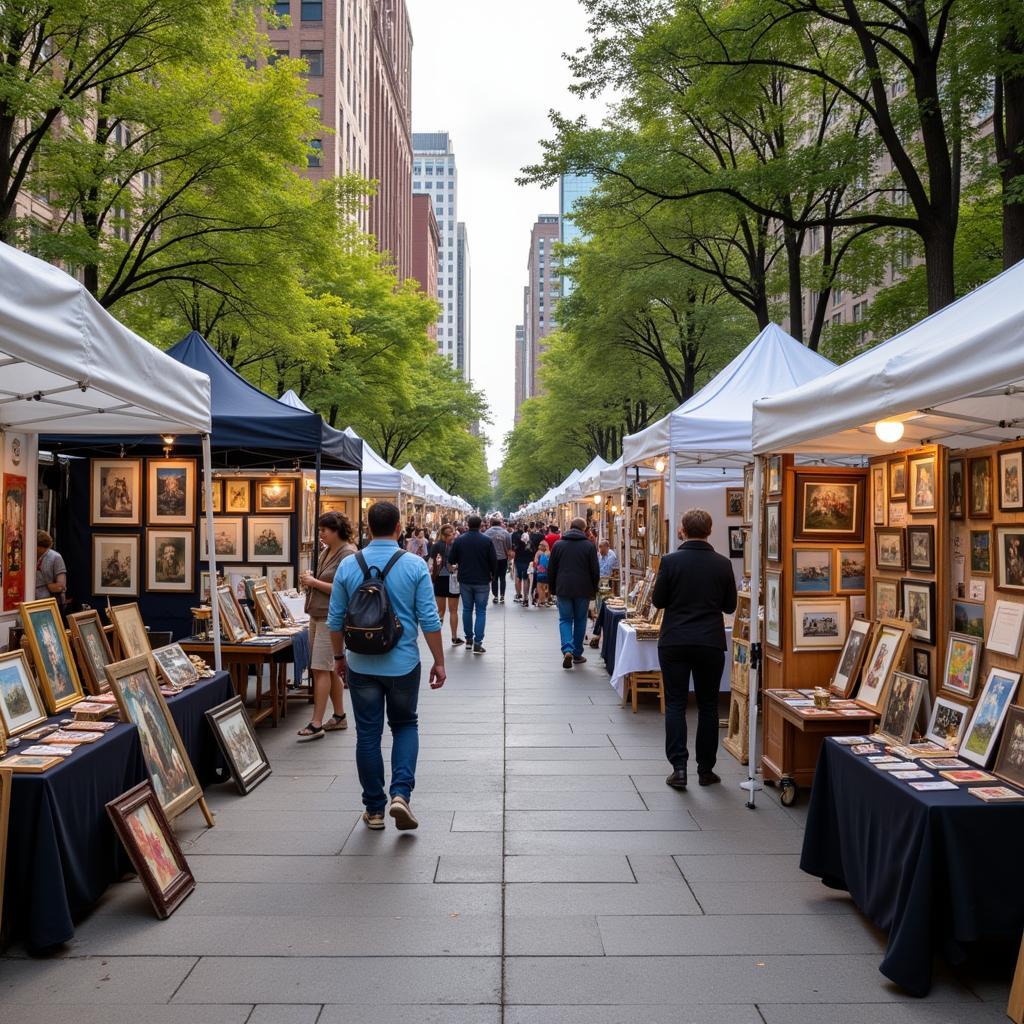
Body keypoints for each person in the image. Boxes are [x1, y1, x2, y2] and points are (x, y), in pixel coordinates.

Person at [328, 501, 446, 830]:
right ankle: (400, 795)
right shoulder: (414, 565)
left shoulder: (350, 565)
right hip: (403, 663)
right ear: (399, 529)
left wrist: (339, 658)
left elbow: (335, 620)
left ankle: (374, 809)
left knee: (367, 735)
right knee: (405, 725)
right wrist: (439, 661)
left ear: (367, 529)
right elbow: (430, 619)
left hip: (361, 664)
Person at [652, 508, 737, 791]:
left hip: (675, 639)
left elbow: (659, 600)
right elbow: (729, 607)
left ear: (683, 530)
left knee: (676, 703)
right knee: (709, 705)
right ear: (709, 530)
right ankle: (705, 769)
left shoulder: (670, 561)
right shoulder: (723, 564)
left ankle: (678, 768)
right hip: (710, 641)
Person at [297, 512, 358, 741]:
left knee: (320, 668)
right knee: (329, 667)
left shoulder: (348, 554)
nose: (321, 533)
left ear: (337, 530)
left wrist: (314, 582)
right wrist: (312, 581)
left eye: (324, 529)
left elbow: (347, 590)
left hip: (330, 617)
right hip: (317, 614)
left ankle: (316, 722)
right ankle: (339, 716)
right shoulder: (326, 551)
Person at [548, 517, 600, 669]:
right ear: (584, 530)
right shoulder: (588, 546)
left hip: (563, 587)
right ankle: (577, 652)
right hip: (583, 589)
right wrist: (594, 589)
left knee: (565, 619)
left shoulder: (558, 545)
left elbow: (552, 569)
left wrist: (553, 588)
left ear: (570, 527)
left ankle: (567, 649)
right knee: (580, 620)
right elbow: (595, 571)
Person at [448, 514, 496, 654]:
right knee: (481, 611)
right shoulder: (487, 540)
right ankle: (477, 642)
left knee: (467, 610)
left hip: (465, 579)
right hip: (482, 579)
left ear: (467, 524)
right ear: (481, 525)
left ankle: (468, 639)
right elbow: (493, 561)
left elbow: (452, 559)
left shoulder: (459, 540)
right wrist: (492, 574)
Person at [429, 524, 463, 646]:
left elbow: (431, 563)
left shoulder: (435, 546)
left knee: (442, 610)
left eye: (453, 534)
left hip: (440, 579)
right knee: (451, 610)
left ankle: (438, 637)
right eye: (451, 534)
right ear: (444, 534)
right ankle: (453, 637)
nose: (453, 536)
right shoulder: (456, 545)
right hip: (452, 578)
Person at [483, 516, 513, 604]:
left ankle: (495, 596)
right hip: (503, 558)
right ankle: (502, 596)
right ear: (500, 524)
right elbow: (509, 547)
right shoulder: (505, 533)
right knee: (502, 578)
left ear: (491, 524)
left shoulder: (487, 533)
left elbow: (485, 546)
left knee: (494, 578)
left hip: (491, 560)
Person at [35, 531, 67, 604]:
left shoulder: (56, 557)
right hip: (31, 601)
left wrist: (49, 586)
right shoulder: (31, 556)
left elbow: (61, 585)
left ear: (39, 547)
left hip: (48, 602)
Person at [512, 524, 534, 606]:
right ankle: (526, 598)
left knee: (518, 578)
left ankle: (518, 595)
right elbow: (533, 552)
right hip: (527, 562)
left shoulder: (518, 544)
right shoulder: (530, 544)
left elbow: (514, 551)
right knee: (526, 579)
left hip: (518, 562)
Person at [533, 541, 551, 607]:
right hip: (547, 573)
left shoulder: (538, 553)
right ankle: (544, 600)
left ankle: (541, 601)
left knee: (539, 587)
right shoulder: (549, 553)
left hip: (540, 572)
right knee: (544, 588)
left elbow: (536, 562)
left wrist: (537, 567)